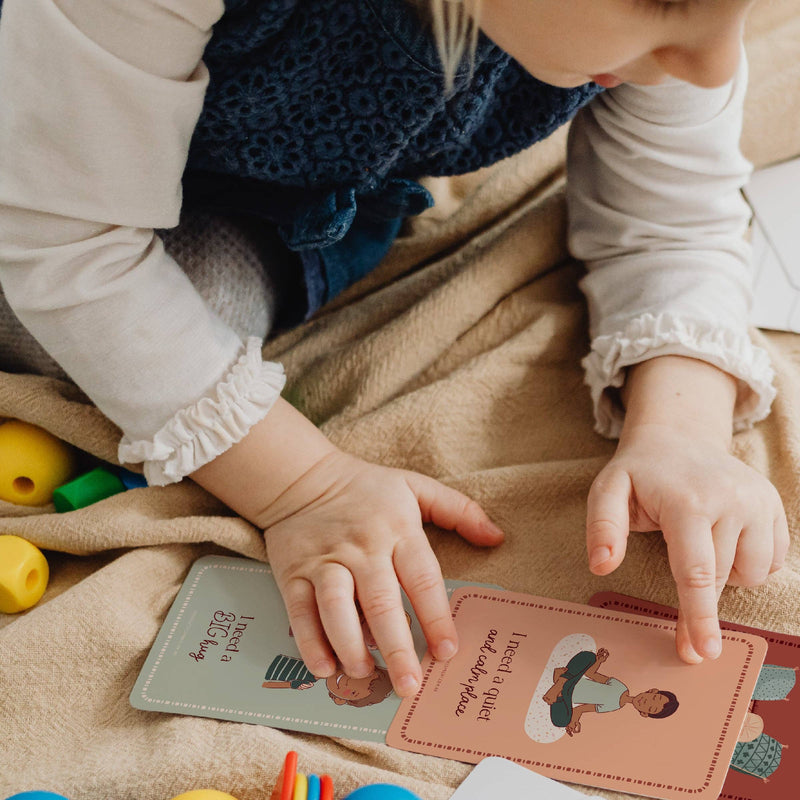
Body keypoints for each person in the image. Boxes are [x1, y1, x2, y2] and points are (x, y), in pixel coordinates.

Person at [0, 0, 789, 700]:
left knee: (197, 310)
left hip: (279, 195)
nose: (718, 62)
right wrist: (303, 487)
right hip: (44, 132)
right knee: (69, 326)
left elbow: (673, 217)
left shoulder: (666, 42)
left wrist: (683, 433)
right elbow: (69, 243)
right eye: (665, 3)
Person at [542, 647, 679, 737]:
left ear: (644, 713)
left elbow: (580, 709)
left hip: (566, 696)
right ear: (652, 691)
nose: (646, 701)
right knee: (588, 656)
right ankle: (560, 684)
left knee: (561, 721)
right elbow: (591, 674)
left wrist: (573, 723)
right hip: (573, 680)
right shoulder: (621, 687)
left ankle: (559, 688)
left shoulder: (614, 706)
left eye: (650, 707)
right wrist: (599, 661)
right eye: (653, 698)